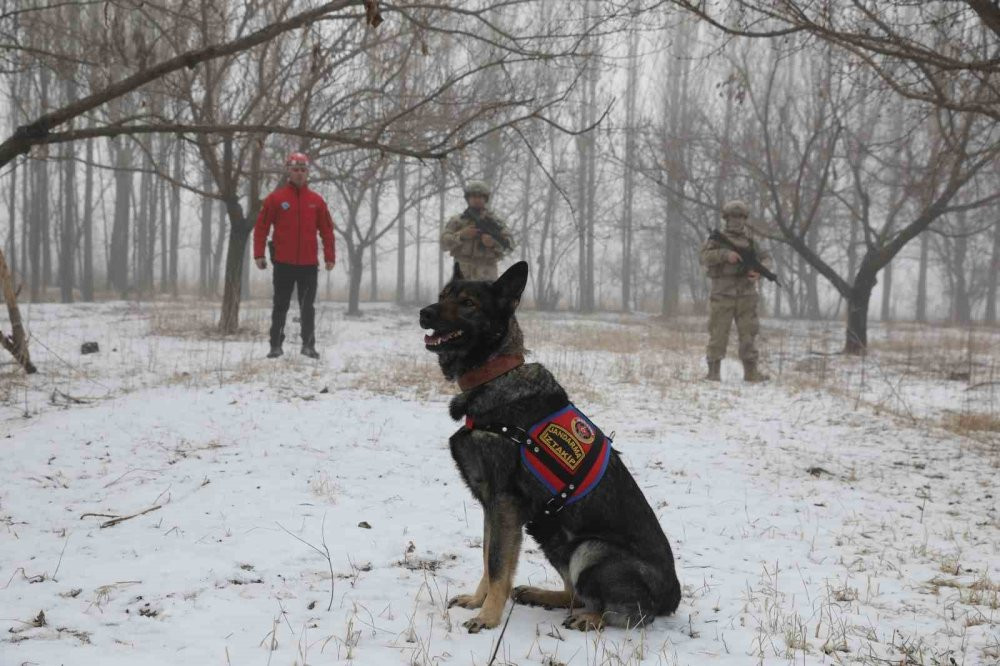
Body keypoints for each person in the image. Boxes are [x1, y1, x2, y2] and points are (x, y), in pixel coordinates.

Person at [253, 152, 335, 359]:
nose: (299, 174)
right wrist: (258, 254)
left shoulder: (316, 201)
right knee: (280, 305)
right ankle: (275, 345)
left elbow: (326, 230)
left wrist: (329, 256)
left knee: (308, 307)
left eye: (303, 170)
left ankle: (308, 346)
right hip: (283, 263)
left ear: (308, 172)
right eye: (295, 170)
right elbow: (261, 227)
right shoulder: (276, 199)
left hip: (308, 265)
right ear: (288, 171)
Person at [699, 200, 773, 382]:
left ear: (745, 219)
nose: (737, 221)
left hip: (746, 294)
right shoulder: (716, 240)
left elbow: (766, 259)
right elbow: (704, 257)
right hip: (722, 294)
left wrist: (760, 272)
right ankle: (713, 372)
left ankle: (751, 372)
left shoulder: (752, 242)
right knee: (718, 332)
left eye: (740, 217)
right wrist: (725, 255)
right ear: (726, 218)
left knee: (748, 333)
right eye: (733, 217)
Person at [440, 180, 514, 280]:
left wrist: (493, 243)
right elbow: (443, 243)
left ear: (485, 199)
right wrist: (461, 235)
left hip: (486, 278)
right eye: (474, 196)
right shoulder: (458, 221)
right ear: (468, 198)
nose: (477, 200)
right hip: (463, 277)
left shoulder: (495, 223)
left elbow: (510, 245)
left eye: (480, 197)